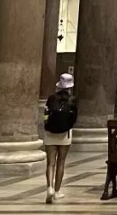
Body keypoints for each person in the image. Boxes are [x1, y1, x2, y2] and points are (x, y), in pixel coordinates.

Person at [44, 73, 78, 203]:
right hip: (65, 134)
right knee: (61, 163)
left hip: (50, 133)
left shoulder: (51, 98)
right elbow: (74, 118)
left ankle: (49, 188)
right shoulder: (72, 100)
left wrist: (47, 126)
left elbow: (45, 115)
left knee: (50, 163)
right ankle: (57, 191)